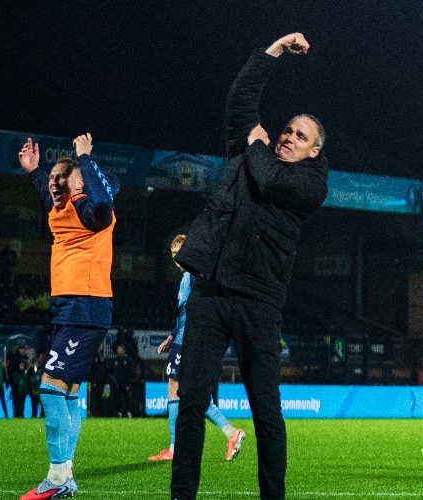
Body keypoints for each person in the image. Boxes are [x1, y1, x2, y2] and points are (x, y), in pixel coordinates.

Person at [170, 33, 328, 500]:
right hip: (211, 293)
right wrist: (273, 51)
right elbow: (240, 98)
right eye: (287, 130)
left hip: (259, 302)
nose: (288, 136)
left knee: (266, 411)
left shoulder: (311, 184)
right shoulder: (249, 150)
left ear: (314, 152)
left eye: (300, 136)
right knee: (190, 403)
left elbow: (269, 179)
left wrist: (257, 146)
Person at [17, 132, 118, 500]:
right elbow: (48, 193)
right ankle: (66, 476)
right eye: (52, 177)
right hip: (70, 308)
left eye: (63, 177)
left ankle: (57, 476)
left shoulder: (92, 210)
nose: (54, 182)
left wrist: (85, 158)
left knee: (49, 387)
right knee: (70, 393)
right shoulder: (59, 209)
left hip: (85, 306)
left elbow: (103, 200)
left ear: (80, 183)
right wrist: (34, 171)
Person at [147, 235, 245, 463]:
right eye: (173, 254)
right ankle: (230, 432)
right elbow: (185, 312)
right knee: (193, 392)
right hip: (185, 339)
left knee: (176, 389)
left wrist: (182, 338)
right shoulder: (192, 276)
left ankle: (177, 447)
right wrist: (172, 335)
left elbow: (193, 312)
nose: (176, 258)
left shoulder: (191, 277)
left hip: (187, 342)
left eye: (179, 253)